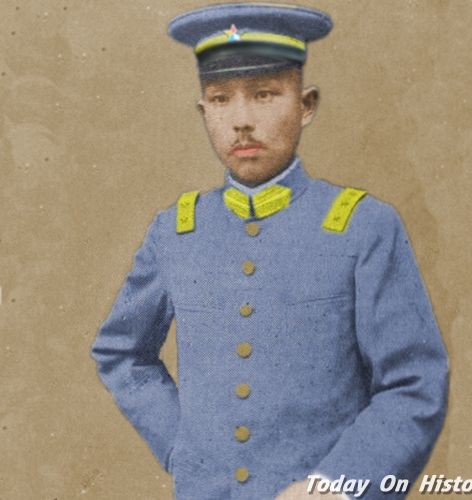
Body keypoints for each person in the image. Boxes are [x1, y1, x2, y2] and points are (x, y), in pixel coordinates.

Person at [90, 3, 449, 499]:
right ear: (203, 112)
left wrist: (336, 484)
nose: (241, 121)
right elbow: (120, 352)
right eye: (220, 99)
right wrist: (182, 447)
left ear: (306, 105)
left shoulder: (362, 225)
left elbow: (415, 384)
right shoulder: (175, 230)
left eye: (264, 95)